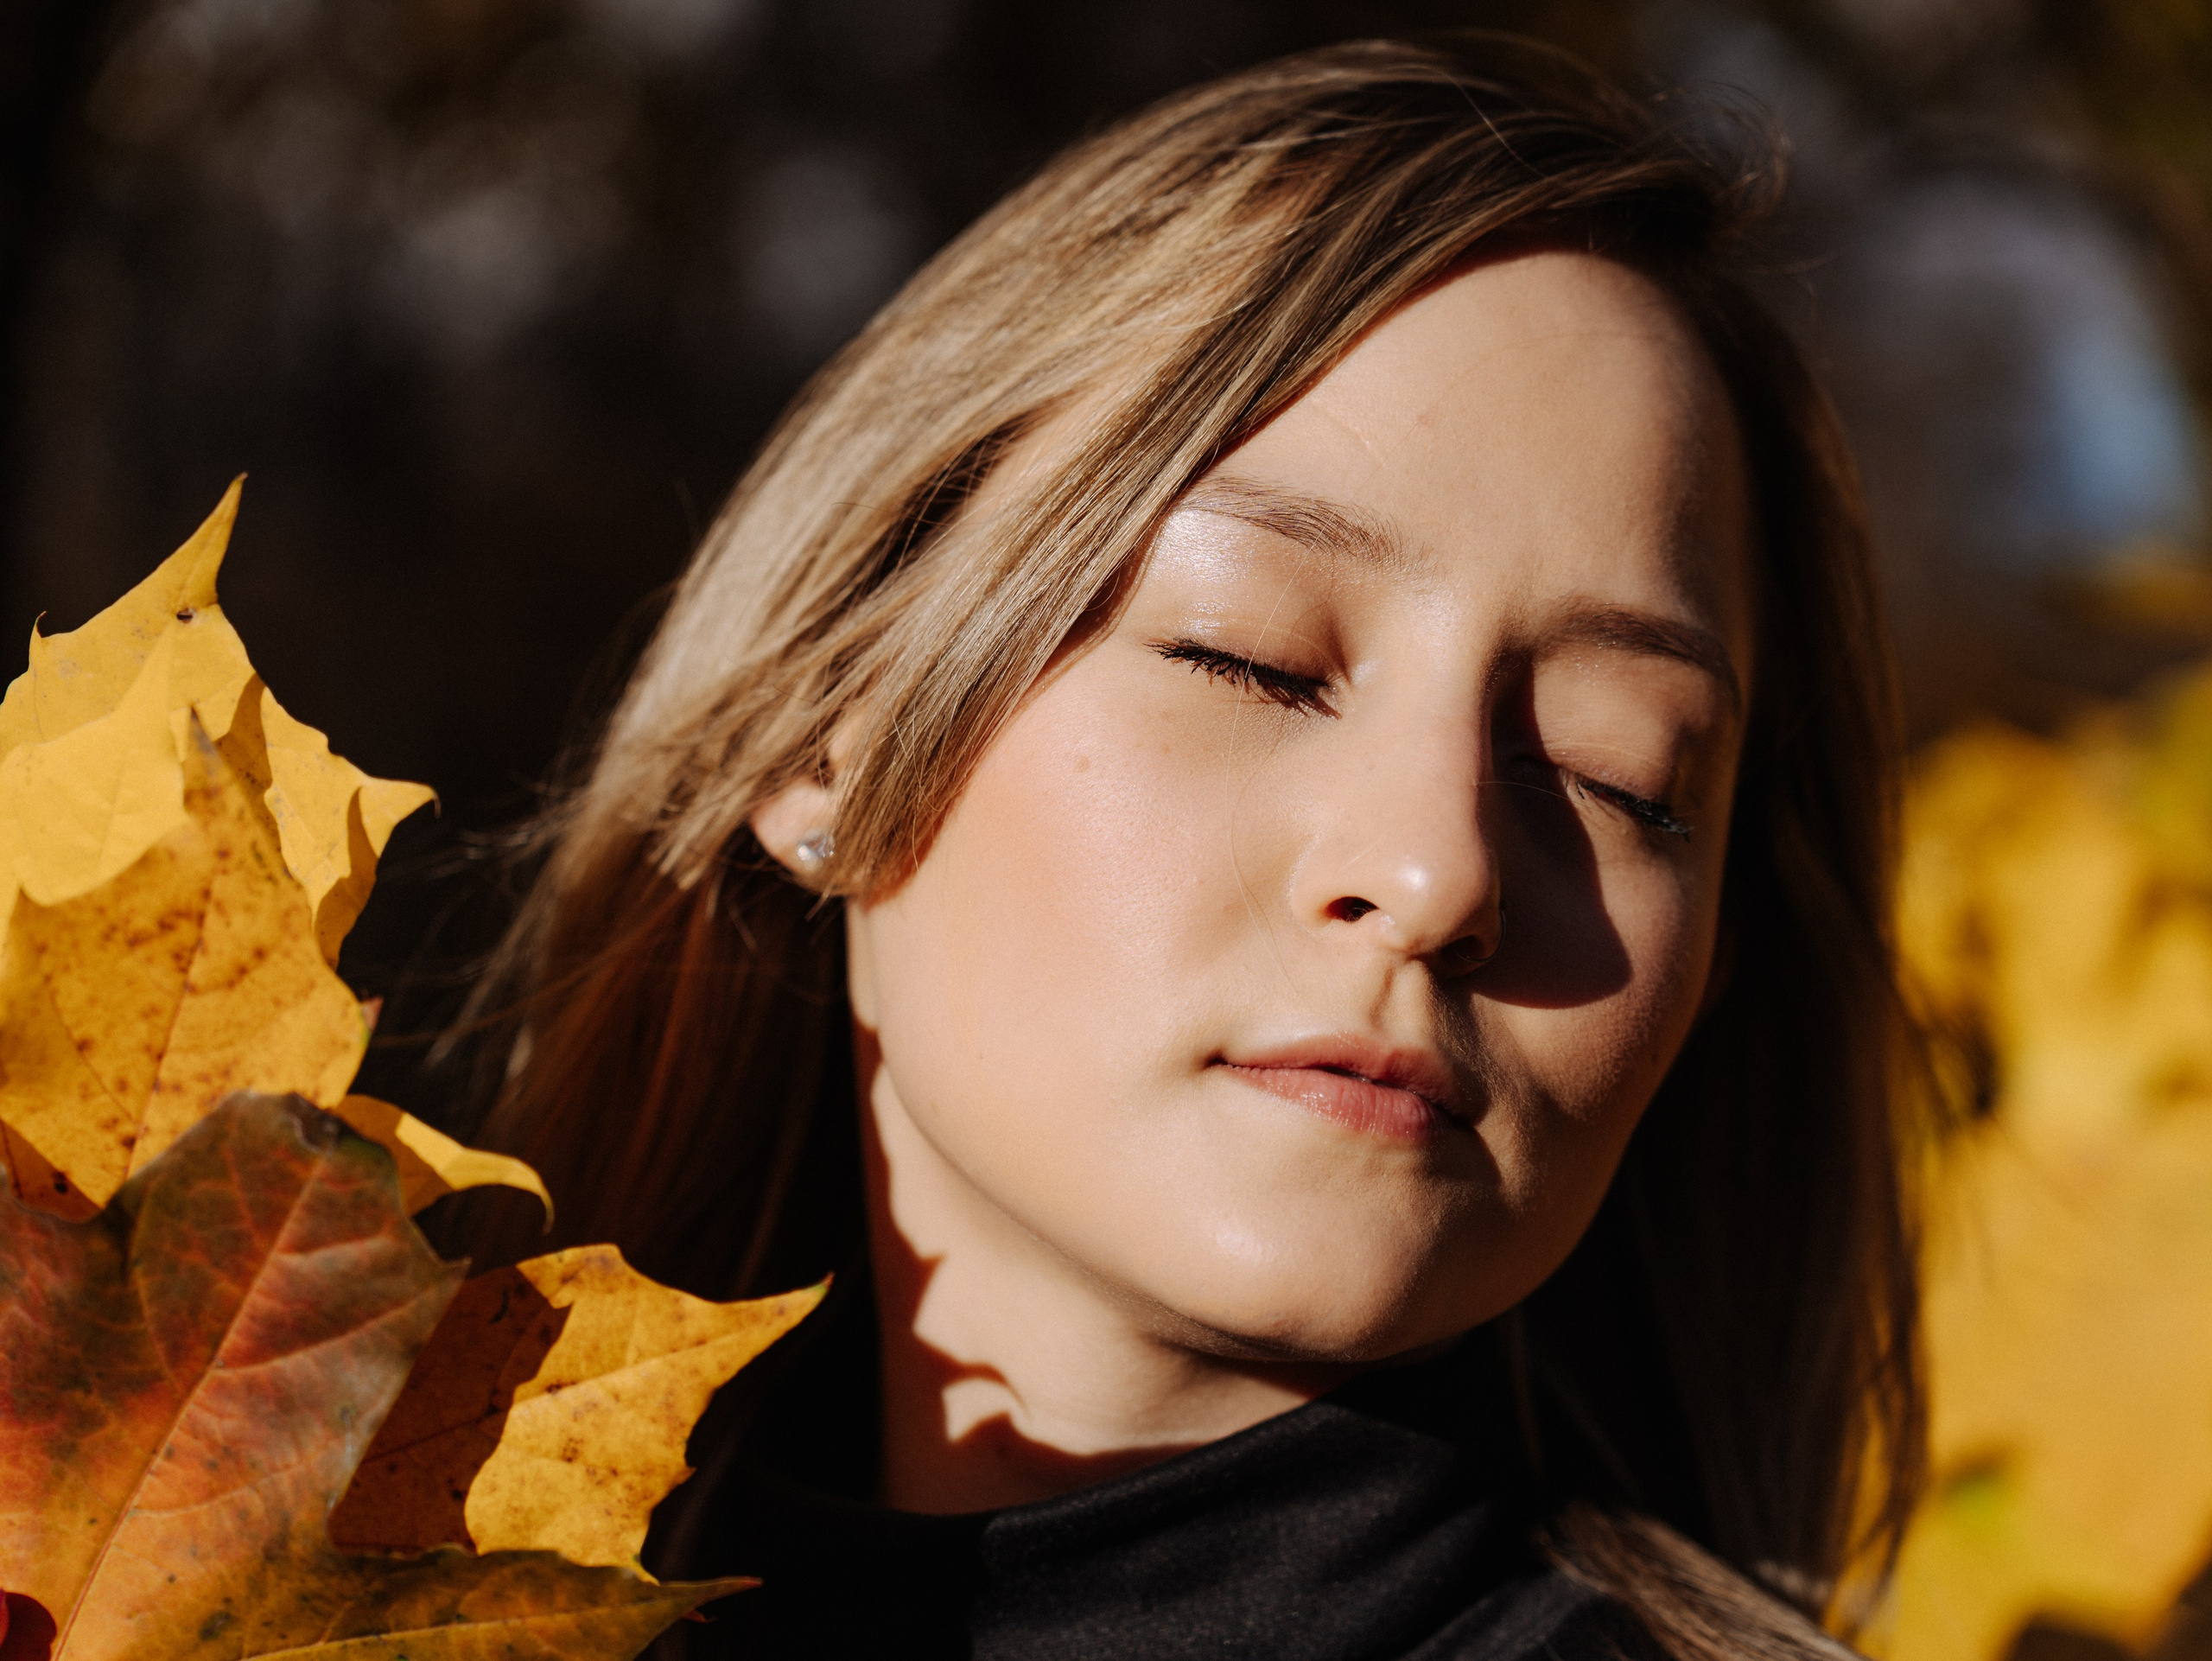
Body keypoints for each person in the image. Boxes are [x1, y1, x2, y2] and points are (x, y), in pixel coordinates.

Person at [444, 33, 1921, 1660]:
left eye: (1613, 772)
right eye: (1252, 658)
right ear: (825, 737)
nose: (1438, 873)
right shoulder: (333, 1590)